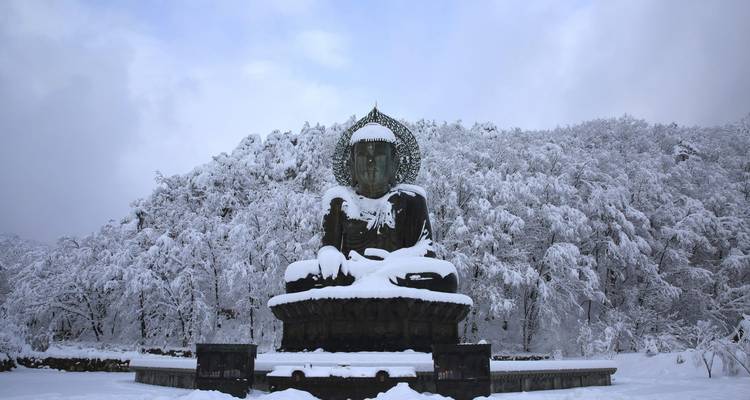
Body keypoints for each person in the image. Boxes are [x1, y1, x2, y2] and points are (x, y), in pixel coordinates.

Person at [285, 122, 457, 293]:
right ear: (350, 165)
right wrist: (330, 256)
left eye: (379, 156)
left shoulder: (412, 199)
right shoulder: (338, 200)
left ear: (394, 164)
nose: (370, 162)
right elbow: (328, 246)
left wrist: (390, 261)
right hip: (352, 273)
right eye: (362, 156)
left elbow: (426, 249)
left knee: (445, 278)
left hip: (394, 272)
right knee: (296, 279)